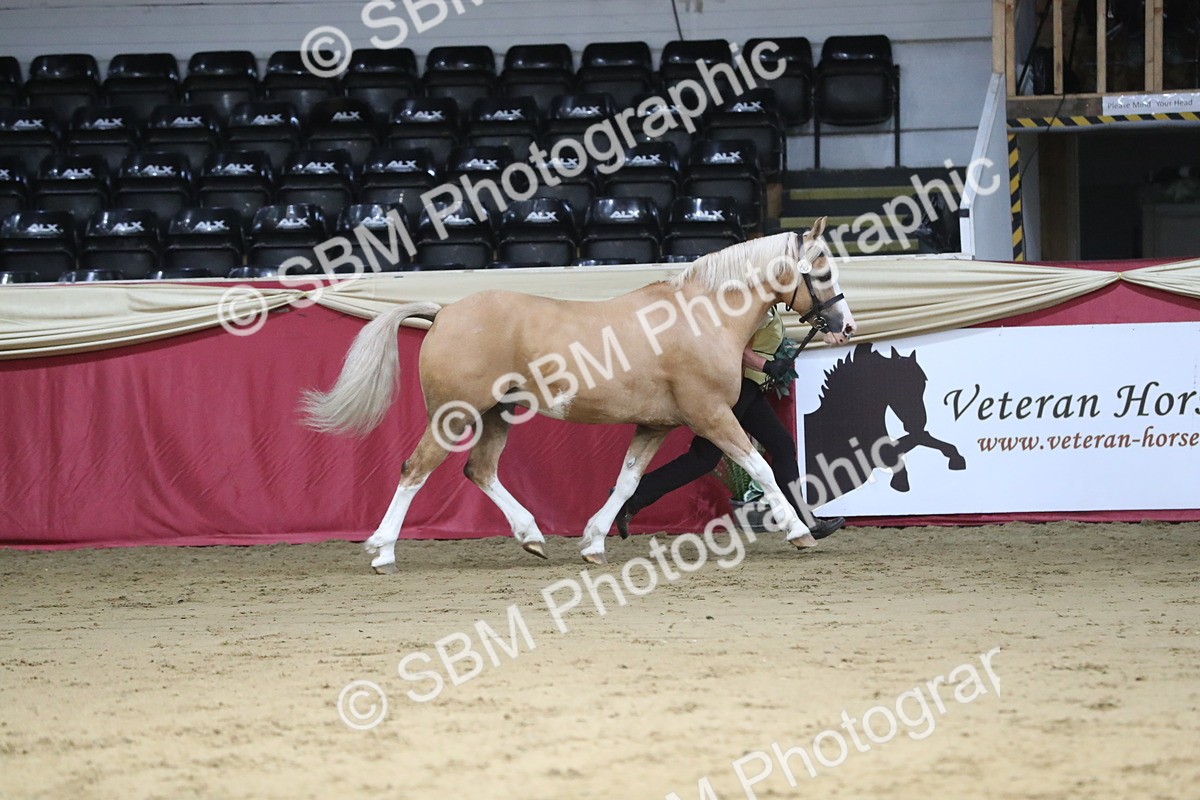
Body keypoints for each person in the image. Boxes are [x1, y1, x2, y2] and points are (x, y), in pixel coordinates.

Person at [614, 305, 845, 539]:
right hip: (737, 389)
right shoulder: (756, 309)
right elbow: (737, 349)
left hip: (746, 389)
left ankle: (630, 498)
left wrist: (829, 329)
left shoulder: (765, 306)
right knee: (710, 457)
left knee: (764, 448)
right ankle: (629, 498)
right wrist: (767, 366)